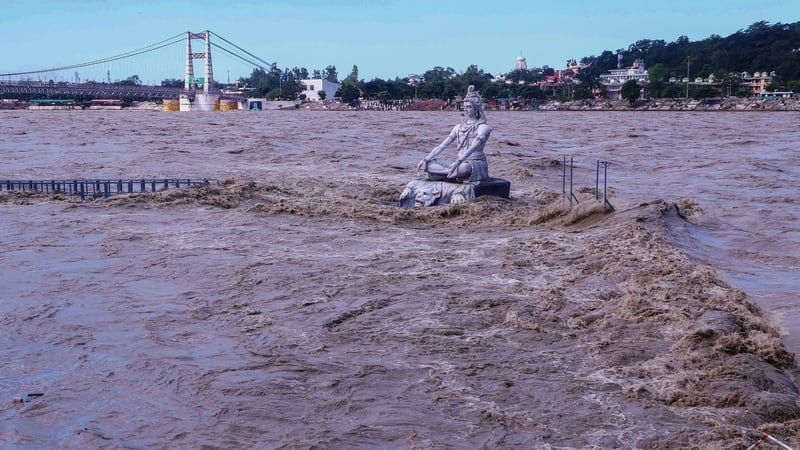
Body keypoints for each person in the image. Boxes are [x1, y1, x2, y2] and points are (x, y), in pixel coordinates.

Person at [417, 85, 491, 183]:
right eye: (464, 107)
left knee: (464, 168)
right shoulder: (458, 127)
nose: (465, 110)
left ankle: (443, 174)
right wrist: (426, 159)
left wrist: (459, 161)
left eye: (469, 107)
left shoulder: (483, 127)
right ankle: (450, 173)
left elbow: (474, 146)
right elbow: (442, 146)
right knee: (427, 164)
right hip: (458, 162)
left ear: (476, 109)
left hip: (474, 163)